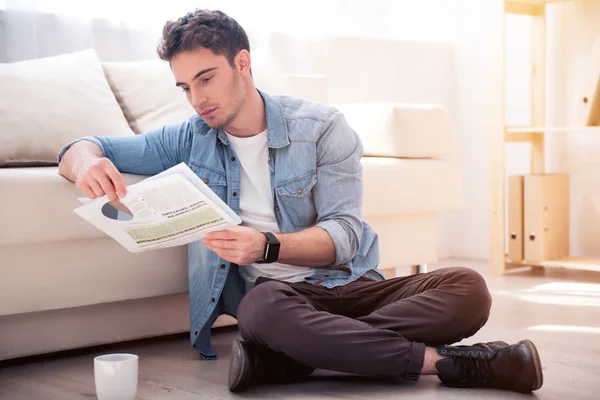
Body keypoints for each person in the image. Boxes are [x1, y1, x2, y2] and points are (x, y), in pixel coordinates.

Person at [57, 8, 543, 394]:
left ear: (242, 63)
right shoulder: (190, 136)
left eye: (206, 78)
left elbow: (346, 237)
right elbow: (86, 144)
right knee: (261, 310)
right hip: (281, 301)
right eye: (185, 87)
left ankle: (288, 356)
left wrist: (265, 246)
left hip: (350, 287)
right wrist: (85, 164)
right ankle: (450, 364)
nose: (196, 99)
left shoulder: (323, 128)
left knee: (468, 287)